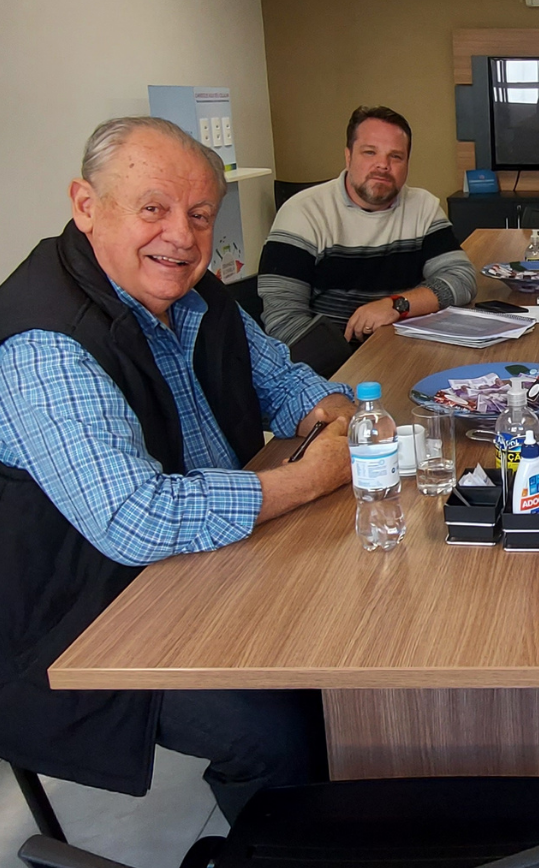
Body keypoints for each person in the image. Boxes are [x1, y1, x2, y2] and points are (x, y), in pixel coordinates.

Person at [0, 117, 358, 822]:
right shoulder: (46, 345)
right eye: (153, 209)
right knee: (275, 726)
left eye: (200, 216)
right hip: (81, 620)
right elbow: (137, 520)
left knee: (349, 627)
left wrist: (338, 415)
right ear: (85, 205)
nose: (183, 237)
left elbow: (285, 383)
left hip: (205, 566)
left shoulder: (196, 295)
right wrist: (313, 476)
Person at [258, 105, 477, 348]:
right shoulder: (302, 212)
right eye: (370, 152)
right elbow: (284, 322)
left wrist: (396, 305)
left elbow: (462, 279)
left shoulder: (422, 206)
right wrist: (346, 369)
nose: (383, 165)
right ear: (348, 156)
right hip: (330, 365)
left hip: (406, 351)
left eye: (395, 156)